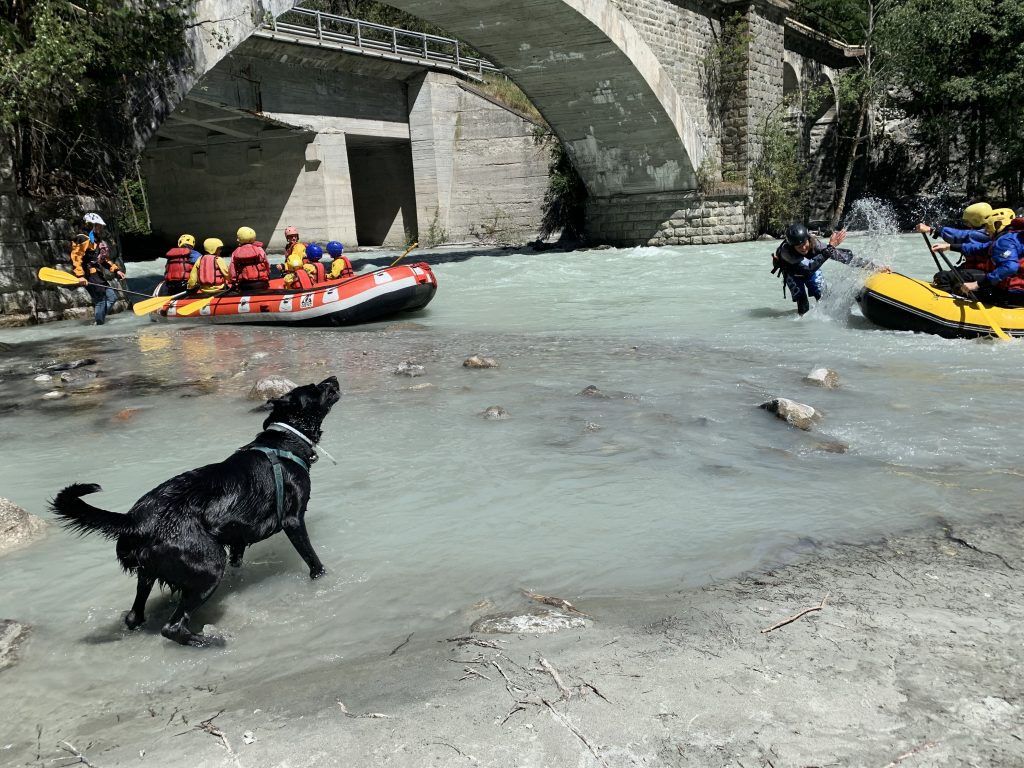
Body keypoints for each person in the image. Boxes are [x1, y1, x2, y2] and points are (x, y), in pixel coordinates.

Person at [772, 223, 889, 316]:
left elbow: (844, 257)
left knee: (824, 299)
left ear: (808, 239)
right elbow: (808, 268)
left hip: (812, 271)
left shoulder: (815, 243)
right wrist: (830, 247)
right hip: (793, 275)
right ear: (793, 247)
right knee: (803, 305)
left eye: (804, 243)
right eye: (799, 247)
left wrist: (874, 267)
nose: (803, 248)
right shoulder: (786, 252)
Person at [932, 208, 1024, 306]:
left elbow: (1010, 267)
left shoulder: (1006, 241)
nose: (986, 230)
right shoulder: (1015, 237)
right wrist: (949, 246)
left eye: (988, 226)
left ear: (998, 224)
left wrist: (978, 285)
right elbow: (981, 247)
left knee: (954, 284)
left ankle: (945, 308)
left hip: (1012, 294)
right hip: (1014, 291)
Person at [70, 212, 125, 325]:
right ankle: (99, 325)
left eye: (100, 225)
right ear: (91, 225)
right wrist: (80, 276)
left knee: (112, 297)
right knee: (100, 300)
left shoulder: (95, 239)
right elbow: (76, 258)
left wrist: (116, 270)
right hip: (89, 275)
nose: (100, 228)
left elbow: (103, 260)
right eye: (98, 225)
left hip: (97, 274)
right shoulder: (82, 238)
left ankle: (99, 321)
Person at [915, 202, 992, 246]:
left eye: (967, 222)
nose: (966, 225)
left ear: (976, 221)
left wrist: (932, 230)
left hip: (982, 272)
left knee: (942, 275)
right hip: (975, 268)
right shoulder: (992, 231)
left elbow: (962, 235)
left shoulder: (986, 234)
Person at [229, 226, 271, 291]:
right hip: (261, 283)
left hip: (244, 284)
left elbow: (232, 270)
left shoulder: (235, 252)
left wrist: (233, 282)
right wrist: (268, 275)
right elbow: (267, 264)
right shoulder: (260, 250)